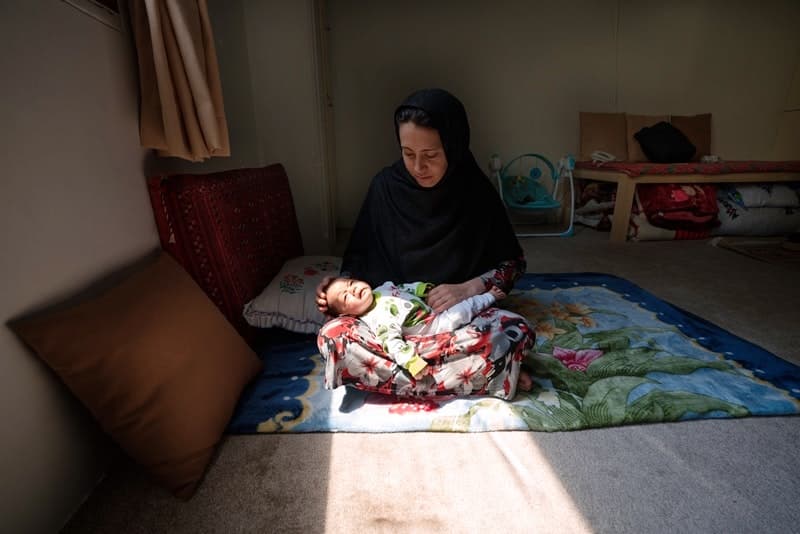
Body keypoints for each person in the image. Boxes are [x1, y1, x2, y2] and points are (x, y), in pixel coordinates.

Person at [316, 88, 534, 399]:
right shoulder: (385, 188)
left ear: (454, 147)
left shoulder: (474, 191)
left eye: (431, 155)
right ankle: (484, 372)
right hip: (391, 323)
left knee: (511, 328)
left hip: (460, 319)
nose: (418, 167)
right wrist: (339, 290)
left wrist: (468, 288)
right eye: (408, 153)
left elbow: (513, 264)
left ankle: (416, 378)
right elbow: (359, 257)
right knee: (333, 336)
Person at [322, 277, 532, 391]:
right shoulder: (377, 319)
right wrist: (412, 362)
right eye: (346, 296)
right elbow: (392, 344)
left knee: (498, 322)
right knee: (463, 311)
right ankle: (488, 297)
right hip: (434, 326)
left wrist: (422, 289)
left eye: (350, 284)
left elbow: (404, 288)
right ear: (346, 314)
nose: (353, 290)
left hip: (431, 307)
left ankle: (513, 360)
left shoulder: (382, 288)